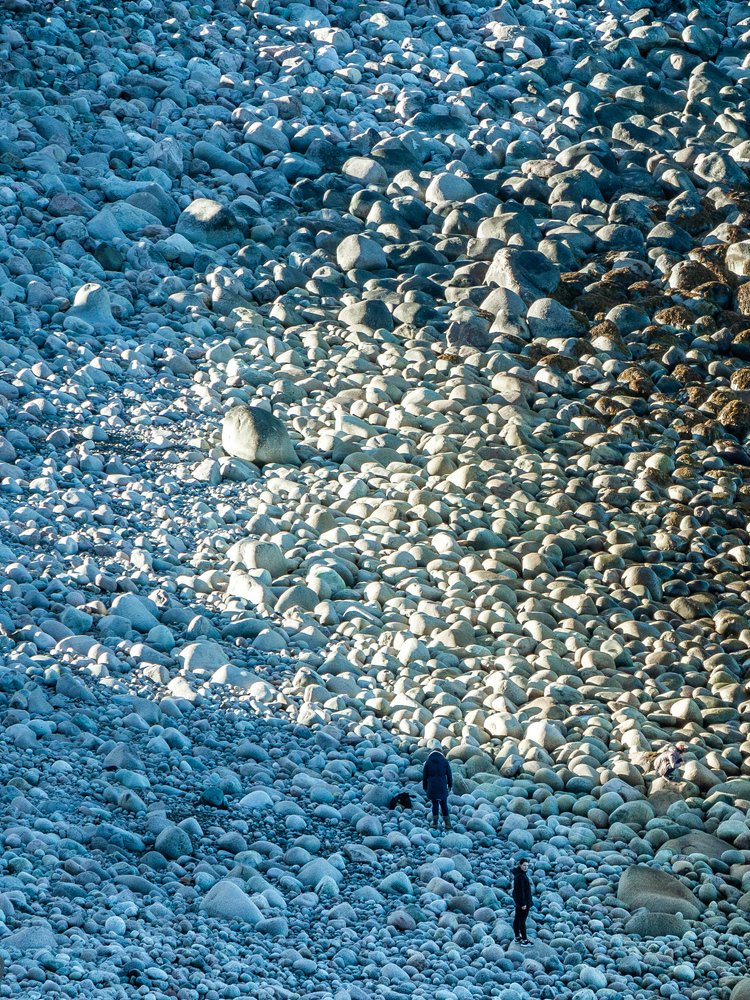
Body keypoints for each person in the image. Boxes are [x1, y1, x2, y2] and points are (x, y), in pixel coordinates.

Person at [422, 744, 453, 830]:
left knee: (435, 804)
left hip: (432, 787)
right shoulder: (444, 761)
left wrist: (425, 787)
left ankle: (435, 823)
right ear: (441, 753)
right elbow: (449, 775)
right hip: (442, 785)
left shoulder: (428, 762)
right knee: (444, 804)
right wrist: (450, 785)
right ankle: (448, 824)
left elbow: (424, 776)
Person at [512, 858, 532, 944]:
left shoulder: (519, 874)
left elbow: (515, 891)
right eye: (524, 865)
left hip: (519, 902)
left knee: (517, 919)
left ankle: (517, 937)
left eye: (527, 865)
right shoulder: (520, 876)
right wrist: (523, 903)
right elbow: (520, 891)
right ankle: (524, 940)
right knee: (522, 920)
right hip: (523, 902)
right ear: (520, 865)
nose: (526, 867)